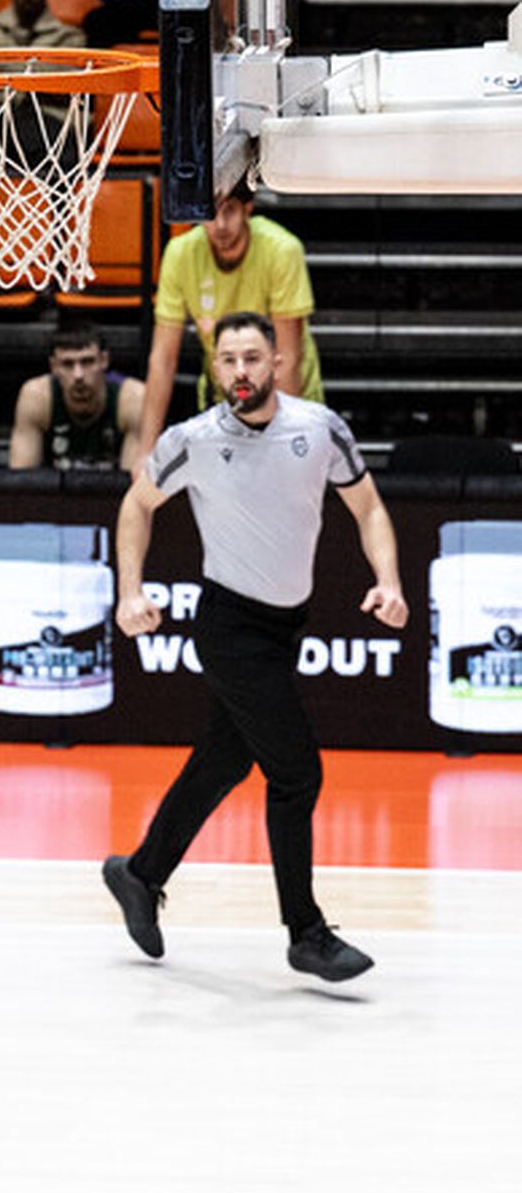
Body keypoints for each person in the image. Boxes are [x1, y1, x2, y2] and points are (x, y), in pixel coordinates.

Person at [103, 312, 408, 983]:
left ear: (277, 363)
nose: (241, 371)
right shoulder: (195, 440)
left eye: (253, 358)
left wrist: (388, 580)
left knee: (221, 763)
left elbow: (370, 509)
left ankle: (140, 872)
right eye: (229, 360)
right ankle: (305, 932)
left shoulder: (319, 428)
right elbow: (137, 505)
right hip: (230, 627)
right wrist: (130, 591)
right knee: (296, 774)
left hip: (285, 626)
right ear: (215, 371)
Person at [140, 178, 323, 456]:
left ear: (248, 208)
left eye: (230, 211)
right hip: (223, 403)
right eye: (211, 213)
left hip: (289, 401)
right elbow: (163, 359)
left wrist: (280, 441)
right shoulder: (180, 254)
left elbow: (288, 360)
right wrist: (146, 449)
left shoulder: (282, 250)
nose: (221, 225)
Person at [9, 319, 144, 470]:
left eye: (87, 362)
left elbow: (134, 484)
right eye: (67, 364)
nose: (78, 375)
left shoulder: (134, 399)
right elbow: (21, 480)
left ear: (104, 361)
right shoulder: (37, 396)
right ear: (54, 366)